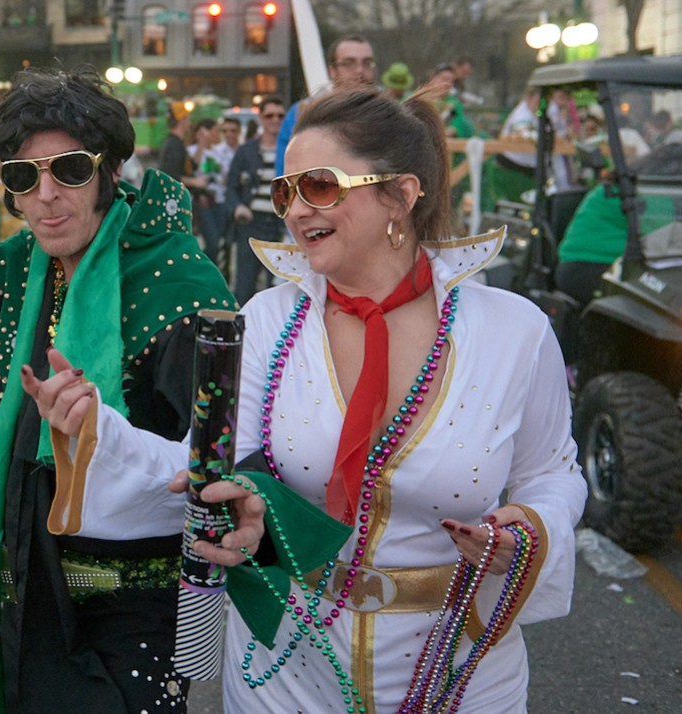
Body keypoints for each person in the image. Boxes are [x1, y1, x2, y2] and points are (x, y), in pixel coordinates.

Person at [37, 89, 587, 713]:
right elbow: (209, 469)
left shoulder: (513, 331)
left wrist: (530, 531)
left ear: (402, 196)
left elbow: (549, 474)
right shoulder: (268, 320)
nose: (296, 211)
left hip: (457, 671)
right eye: (285, 192)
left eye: (320, 186)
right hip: (286, 671)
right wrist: (97, 431)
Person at [0, 66, 234, 714]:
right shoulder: (13, 268)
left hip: (132, 602)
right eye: (20, 176)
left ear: (108, 170)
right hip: (27, 576)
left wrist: (110, 441)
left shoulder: (171, 276)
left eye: (68, 170)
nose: (45, 197)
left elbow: (226, 449)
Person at [556, 142, 682, 305]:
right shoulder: (651, 195)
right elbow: (665, 241)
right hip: (592, 268)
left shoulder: (624, 186)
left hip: (575, 268)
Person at [275, 34, 376, 176]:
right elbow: (285, 175)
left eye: (367, 63)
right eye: (349, 63)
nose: (359, 70)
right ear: (332, 70)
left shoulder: (387, 116)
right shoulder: (301, 113)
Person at [226, 95, 286, 303]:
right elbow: (231, 186)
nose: (275, 120)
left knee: (280, 287)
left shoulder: (290, 150)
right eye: (269, 115)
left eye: (280, 116)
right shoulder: (246, 151)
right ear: (261, 118)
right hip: (252, 224)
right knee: (244, 285)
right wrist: (238, 207)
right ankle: (243, 332)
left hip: (280, 226)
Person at [189, 117, 227, 266]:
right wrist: (201, 143)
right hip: (204, 202)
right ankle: (201, 267)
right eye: (215, 131)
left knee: (218, 241)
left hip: (219, 200)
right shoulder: (192, 150)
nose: (218, 134)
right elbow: (193, 167)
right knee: (212, 242)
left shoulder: (218, 152)